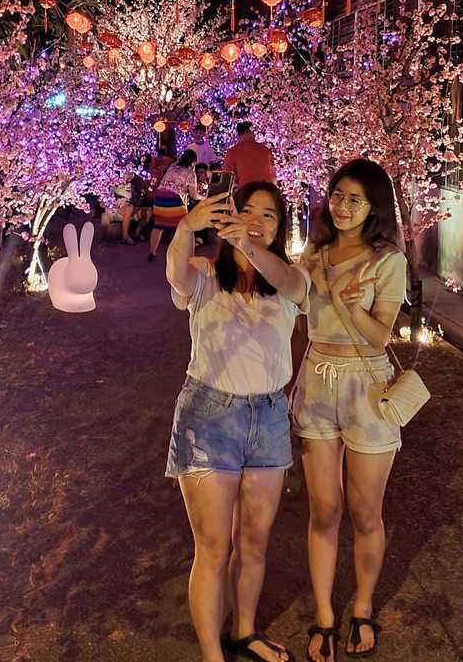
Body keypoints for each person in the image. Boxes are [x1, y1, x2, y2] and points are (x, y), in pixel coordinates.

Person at [166, 182, 310, 662]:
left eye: (268, 215)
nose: (256, 220)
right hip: (209, 416)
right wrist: (188, 225)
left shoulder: (291, 280)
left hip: (269, 416)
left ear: (280, 227)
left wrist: (247, 243)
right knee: (212, 546)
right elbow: (175, 274)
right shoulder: (205, 275)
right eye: (246, 211)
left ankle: (244, 632)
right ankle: (212, 654)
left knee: (254, 540)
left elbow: (291, 284)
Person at [291, 159, 407, 662]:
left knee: (364, 512)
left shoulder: (387, 260)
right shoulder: (315, 252)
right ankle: (323, 615)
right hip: (317, 381)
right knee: (324, 511)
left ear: (374, 206)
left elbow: (381, 335)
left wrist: (349, 300)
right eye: (337, 195)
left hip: (366, 388)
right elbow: (288, 303)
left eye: (355, 199)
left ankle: (361, 605)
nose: (342, 206)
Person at [150, 150, 201, 261]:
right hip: (173, 199)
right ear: (193, 162)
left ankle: (152, 252)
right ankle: (185, 254)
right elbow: (193, 195)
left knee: (158, 226)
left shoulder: (172, 167)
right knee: (185, 226)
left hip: (159, 197)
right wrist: (203, 197)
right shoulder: (190, 174)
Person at [222, 121, 276, 187]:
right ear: (247, 132)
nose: (254, 135)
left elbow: (227, 178)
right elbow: (273, 176)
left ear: (239, 135)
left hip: (247, 191)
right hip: (267, 190)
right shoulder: (266, 150)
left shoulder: (232, 152)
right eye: (252, 132)